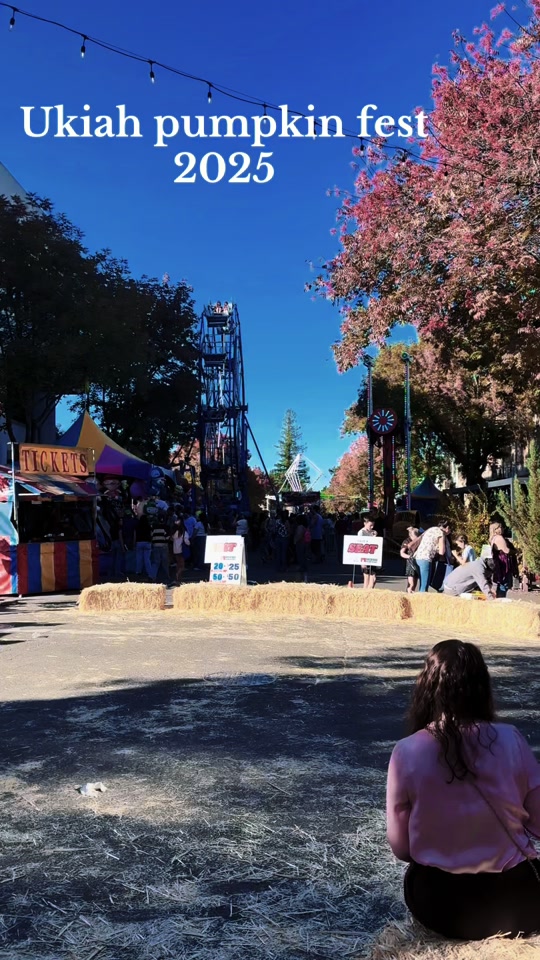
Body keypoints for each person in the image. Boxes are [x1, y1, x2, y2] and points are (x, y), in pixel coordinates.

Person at [386, 640, 540, 940]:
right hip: (516, 903)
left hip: (439, 905)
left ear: (427, 688)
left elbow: (402, 849)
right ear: (482, 687)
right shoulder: (511, 739)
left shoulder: (406, 751)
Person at [414, 519, 452, 592]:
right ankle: (422, 598)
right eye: (450, 530)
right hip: (426, 558)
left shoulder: (431, 529)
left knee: (422, 584)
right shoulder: (441, 533)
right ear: (447, 528)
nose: (450, 532)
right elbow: (442, 552)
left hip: (417, 557)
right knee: (424, 587)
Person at [490, 522, 519, 597]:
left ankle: (500, 597)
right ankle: (501, 599)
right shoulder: (499, 538)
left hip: (498, 563)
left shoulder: (493, 538)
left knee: (500, 583)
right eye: (500, 527)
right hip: (503, 564)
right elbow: (506, 550)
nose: (502, 529)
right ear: (495, 529)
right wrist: (515, 551)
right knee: (503, 584)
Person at [358, 514, 377, 589]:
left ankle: (369, 591)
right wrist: (362, 561)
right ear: (365, 523)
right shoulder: (361, 532)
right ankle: (365, 592)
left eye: (373, 525)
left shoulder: (373, 532)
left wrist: (375, 536)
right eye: (370, 525)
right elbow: (360, 545)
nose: (372, 527)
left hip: (372, 556)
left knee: (373, 578)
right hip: (365, 556)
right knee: (367, 578)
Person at [151, 516, 171, 584]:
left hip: (156, 546)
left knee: (156, 562)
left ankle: (153, 577)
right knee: (165, 562)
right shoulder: (165, 528)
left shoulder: (154, 528)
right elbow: (167, 538)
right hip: (163, 546)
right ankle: (167, 577)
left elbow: (151, 536)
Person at [135, 512, 155, 581]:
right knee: (147, 559)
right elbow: (151, 535)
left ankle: (138, 572)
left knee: (139, 558)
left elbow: (135, 535)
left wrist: (134, 542)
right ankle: (150, 574)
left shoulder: (137, 526)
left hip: (139, 542)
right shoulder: (148, 526)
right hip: (147, 542)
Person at [400, 526, 420, 593]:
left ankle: (412, 594)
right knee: (411, 584)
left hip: (417, 562)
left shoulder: (419, 541)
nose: (417, 538)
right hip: (410, 563)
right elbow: (402, 553)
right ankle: (408, 594)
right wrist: (410, 557)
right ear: (411, 536)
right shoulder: (407, 541)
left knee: (415, 582)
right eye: (416, 536)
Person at [172, 517, 189, 583]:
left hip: (175, 550)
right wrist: (189, 544)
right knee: (182, 566)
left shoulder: (174, 532)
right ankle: (178, 575)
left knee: (178, 564)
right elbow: (186, 541)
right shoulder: (183, 532)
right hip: (182, 550)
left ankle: (178, 578)